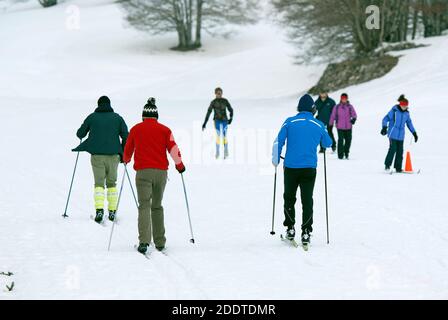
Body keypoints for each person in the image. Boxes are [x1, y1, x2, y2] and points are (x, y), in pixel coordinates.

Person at [123, 98, 186, 255]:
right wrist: (180, 166)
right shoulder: (165, 130)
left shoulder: (136, 129)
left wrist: (126, 160)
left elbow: (128, 149)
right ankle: (159, 242)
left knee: (144, 205)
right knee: (157, 206)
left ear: (143, 116)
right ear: (156, 116)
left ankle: (144, 241)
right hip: (160, 173)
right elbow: (173, 149)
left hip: (143, 172)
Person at [272, 94, 332, 247]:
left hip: (291, 167)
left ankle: (290, 229)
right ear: (313, 109)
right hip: (309, 168)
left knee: (289, 198)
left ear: (299, 108)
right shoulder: (318, 124)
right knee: (307, 200)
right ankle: (306, 232)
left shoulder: (289, 122)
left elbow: (278, 141)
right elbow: (328, 142)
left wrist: (276, 158)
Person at [73, 96, 128, 223]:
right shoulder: (118, 118)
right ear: (109, 104)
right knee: (112, 184)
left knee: (99, 184)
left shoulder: (92, 117)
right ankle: (112, 211)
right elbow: (126, 135)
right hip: (114, 156)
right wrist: (124, 152)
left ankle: (99, 210)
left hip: (97, 156)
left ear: (98, 105)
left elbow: (80, 133)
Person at [381, 95, 418, 172]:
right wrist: (384, 127)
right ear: (400, 104)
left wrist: (414, 133)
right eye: (403, 105)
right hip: (392, 134)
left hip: (401, 136)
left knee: (400, 151)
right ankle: (387, 165)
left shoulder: (406, 114)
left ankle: (398, 168)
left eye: (406, 106)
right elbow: (385, 118)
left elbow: (409, 123)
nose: (404, 107)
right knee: (392, 149)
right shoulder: (394, 111)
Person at [202, 87, 234, 159]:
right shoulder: (213, 102)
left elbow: (231, 109)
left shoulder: (225, 101)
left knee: (225, 135)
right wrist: (204, 123)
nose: (219, 94)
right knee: (218, 136)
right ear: (215, 93)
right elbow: (208, 113)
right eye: (217, 93)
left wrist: (231, 118)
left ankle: (226, 151)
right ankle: (217, 152)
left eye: (220, 93)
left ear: (222, 93)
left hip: (225, 120)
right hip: (217, 121)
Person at [329, 93, 358, 160]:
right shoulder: (337, 107)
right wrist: (330, 124)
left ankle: (346, 152)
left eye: (345, 98)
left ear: (347, 99)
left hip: (348, 126)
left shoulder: (350, 107)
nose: (344, 100)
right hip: (340, 127)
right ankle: (340, 155)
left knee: (348, 140)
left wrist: (354, 119)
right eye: (343, 98)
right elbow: (333, 116)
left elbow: (354, 114)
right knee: (341, 140)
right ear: (341, 99)